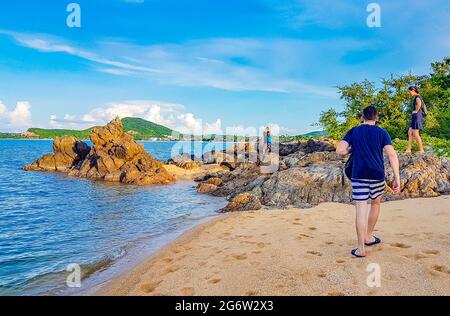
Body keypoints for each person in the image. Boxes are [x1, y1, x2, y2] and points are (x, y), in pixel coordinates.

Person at [336, 106, 401, 258]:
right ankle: (368, 236)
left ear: (362, 117)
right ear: (376, 118)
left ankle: (360, 249)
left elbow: (339, 150)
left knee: (360, 209)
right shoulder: (382, 132)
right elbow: (392, 154)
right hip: (377, 174)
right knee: (376, 204)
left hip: (359, 174)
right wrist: (397, 177)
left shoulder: (354, 131)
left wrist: (351, 149)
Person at [406, 86, 425, 153]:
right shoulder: (417, 97)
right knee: (410, 132)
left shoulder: (417, 97)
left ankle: (421, 150)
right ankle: (408, 149)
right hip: (415, 117)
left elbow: (419, 103)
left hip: (417, 117)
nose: (409, 93)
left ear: (413, 91)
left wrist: (415, 111)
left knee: (416, 133)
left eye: (409, 92)